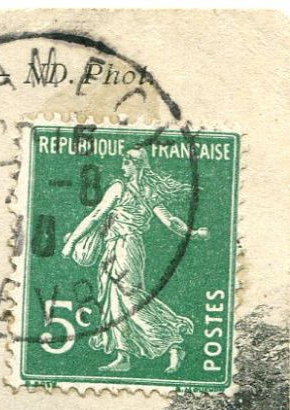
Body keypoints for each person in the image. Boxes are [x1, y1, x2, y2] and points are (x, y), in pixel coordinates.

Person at [61, 146, 207, 373]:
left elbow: (96, 215)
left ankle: (173, 339)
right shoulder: (150, 192)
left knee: (129, 300)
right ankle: (124, 355)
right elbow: (172, 222)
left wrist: (72, 243)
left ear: (134, 164)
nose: (122, 166)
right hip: (121, 247)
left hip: (124, 248)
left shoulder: (119, 187)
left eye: (126, 162)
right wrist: (192, 232)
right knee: (114, 300)